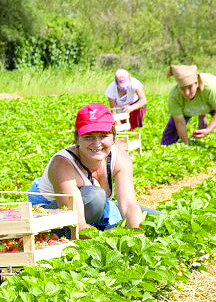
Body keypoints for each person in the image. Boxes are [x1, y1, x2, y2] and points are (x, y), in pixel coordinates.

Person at [28, 103, 142, 231]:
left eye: (103, 135)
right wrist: (101, 247)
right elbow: (76, 222)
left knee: (147, 216)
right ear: (77, 139)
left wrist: (136, 238)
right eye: (88, 137)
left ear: (114, 137)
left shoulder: (120, 158)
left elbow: (129, 205)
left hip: (95, 210)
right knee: (95, 197)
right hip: (54, 213)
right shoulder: (62, 164)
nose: (97, 143)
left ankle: (104, 226)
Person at [161, 64, 216, 145]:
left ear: (196, 83)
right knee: (168, 136)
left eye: (190, 87)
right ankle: (201, 114)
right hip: (189, 108)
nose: (187, 93)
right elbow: (179, 123)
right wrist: (185, 144)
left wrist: (208, 130)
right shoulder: (174, 96)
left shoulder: (210, 88)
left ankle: (202, 114)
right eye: (182, 88)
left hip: (210, 103)